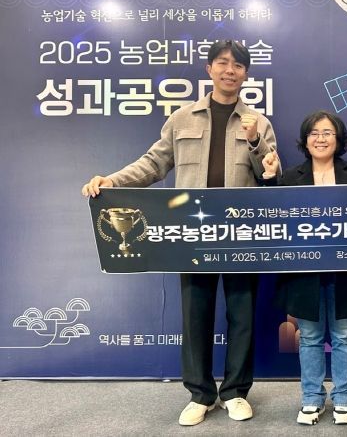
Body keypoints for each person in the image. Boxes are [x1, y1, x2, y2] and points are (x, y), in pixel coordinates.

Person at [81, 40, 277, 426]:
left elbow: (270, 174)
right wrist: (112, 181)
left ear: (246, 74)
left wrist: (255, 140)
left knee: (242, 314)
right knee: (195, 313)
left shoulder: (258, 121)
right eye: (223, 63)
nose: (230, 70)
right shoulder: (182, 118)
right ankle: (200, 394)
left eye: (238, 65)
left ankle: (236, 392)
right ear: (209, 69)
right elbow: (154, 163)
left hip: (240, 232)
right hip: (193, 233)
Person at [262, 111, 347, 425]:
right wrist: (269, 178)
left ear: (338, 139)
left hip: (344, 271)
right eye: (314, 133)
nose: (320, 139)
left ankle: (343, 399)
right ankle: (311, 398)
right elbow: (273, 216)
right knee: (309, 337)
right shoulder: (290, 176)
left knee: (344, 336)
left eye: (327, 133)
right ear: (305, 139)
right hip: (304, 272)